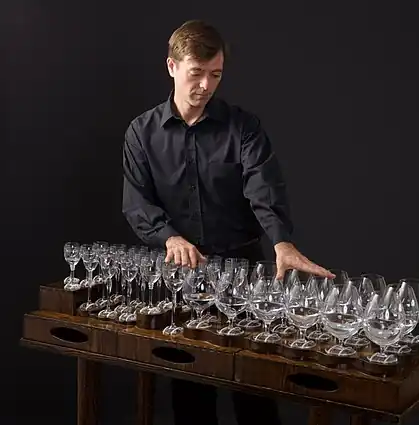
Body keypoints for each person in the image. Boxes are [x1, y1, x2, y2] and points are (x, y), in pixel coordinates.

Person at [122, 19, 333, 425]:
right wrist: (169, 237)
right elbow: (136, 204)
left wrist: (282, 242)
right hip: (183, 274)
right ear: (172, 67)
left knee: (255, 391)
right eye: (196, 73)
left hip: (244, 270)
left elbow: (263, 187)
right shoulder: (141, 133)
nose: (205, 85)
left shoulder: (244, 127)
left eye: (215, 75)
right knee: (190, 395)